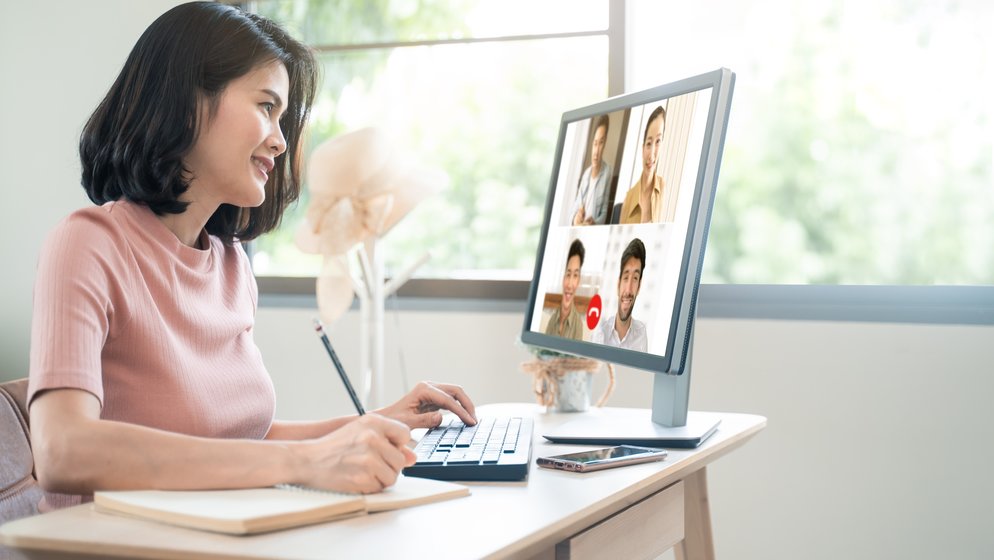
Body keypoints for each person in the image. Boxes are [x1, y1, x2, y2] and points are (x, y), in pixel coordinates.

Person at [27, 2, 477, 512]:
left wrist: (376, 422)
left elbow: (237, 442)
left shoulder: (231, 265)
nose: (281, 142)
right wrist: (307, 462)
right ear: (187, 99)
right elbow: (62, 450)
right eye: (266, 107)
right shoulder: (87, 245)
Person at [592, 238, 648, 351]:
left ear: (639, 287)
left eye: (635, 278)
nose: (628, 290)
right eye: (626, 277)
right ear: (618, 285)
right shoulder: (600, 334)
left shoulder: (641, 335)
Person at [620, 106, 666, 224]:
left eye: (658, 142)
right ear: (642, 148)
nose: (651, 155)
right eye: (649, 143)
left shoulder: (664, 190)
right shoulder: (629, 199)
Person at [572, 114, 612, 226]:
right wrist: (575, 218)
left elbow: (604, 213)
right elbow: (575, 209)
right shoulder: (586, 175)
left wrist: (595, 223)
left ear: (605, 144)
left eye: (601, 143)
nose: (596, 151)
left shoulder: (607, 172)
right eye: (595, 143)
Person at [544, 239, 586, 340]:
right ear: (562, 278)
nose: (570, 285)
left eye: (575, 275)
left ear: (579, 281)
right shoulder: (552, 320)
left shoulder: (578, 326)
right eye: (568, 274)